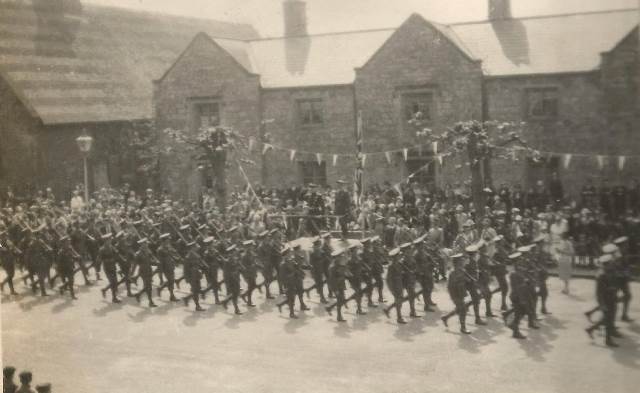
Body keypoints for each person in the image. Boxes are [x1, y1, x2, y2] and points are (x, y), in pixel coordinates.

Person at [586, 255, 620, 347]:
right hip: (606, 300)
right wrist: (602, 304)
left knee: (608, 319)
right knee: (608, 319)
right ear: (606, 264)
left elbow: (613, 285)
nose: (612, 265)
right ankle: (608, 340)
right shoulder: (601, 275)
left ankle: (591, 329)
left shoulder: (609, 272)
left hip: (611, 298)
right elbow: (599, 293)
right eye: (610, 263)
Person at [441, 254, 471, 334]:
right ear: (457, 263)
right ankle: (463, 328)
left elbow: (466, 280)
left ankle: (445, 317)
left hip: (461, 293)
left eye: (462, 261)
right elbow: (451, 286)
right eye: (461, 261)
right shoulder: (452, 273)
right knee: (463, 310)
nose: (463, 262)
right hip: (455, 294)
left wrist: (468, 280)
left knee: (460, 308)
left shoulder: (462, 270)